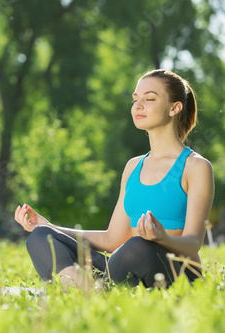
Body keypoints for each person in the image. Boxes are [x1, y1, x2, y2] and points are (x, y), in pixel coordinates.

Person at [14, 69, 214, 290]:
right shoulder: (133, 167)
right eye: (135, 99)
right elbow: (113, 240)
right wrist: (49, 226)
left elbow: (193, 244)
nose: (138, 106)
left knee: (138, 245)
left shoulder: (196, 167)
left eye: (149, 99)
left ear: (174, 108)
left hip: (176, 275)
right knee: (43, 237)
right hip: (127, 268)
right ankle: (86, 292)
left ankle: (94, 292)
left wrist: (161, 237)